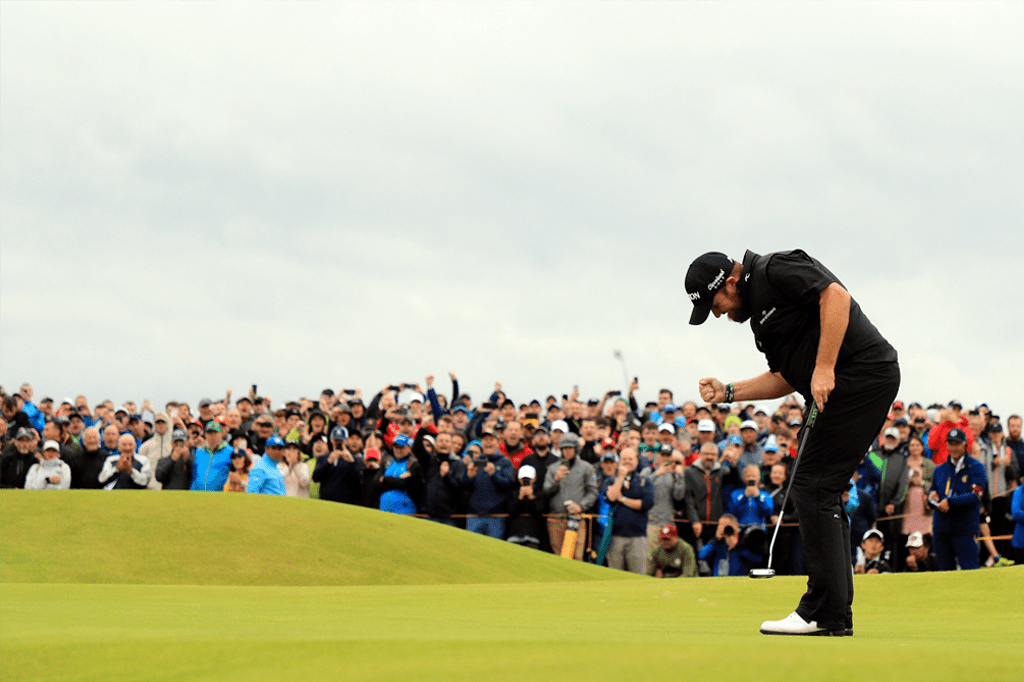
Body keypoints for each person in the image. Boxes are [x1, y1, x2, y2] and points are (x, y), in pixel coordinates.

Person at [687, 249, 899, 637]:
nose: (716, 314)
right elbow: (783, 376)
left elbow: (835, 296)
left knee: (812, 485)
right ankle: (833, 613)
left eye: (713, 304)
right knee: (819, 487)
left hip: (861, 374)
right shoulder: (760, 322)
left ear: (729, 283)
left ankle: (822, 611)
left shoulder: (775, 269)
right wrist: (729, 392)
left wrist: (824, 366)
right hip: (843, 385)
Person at [928, 428, 986, 570]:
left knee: (970, 571)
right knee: (944, 572)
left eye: (957, 444)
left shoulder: (976, 467)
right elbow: (932, 493)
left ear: (965, 444)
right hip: (941, 529)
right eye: (951, 443)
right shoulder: (939, 470)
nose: (954, 447)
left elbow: (976, 495)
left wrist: (950, 502)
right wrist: (931, 499)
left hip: (964, 529)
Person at [542, 432, 598, 559]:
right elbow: (546, 492)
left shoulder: (586, 467)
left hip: (576, 518)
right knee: (558, 557)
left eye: (570, 448)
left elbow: (593, 492)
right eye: (564, 448)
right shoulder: (553, 468)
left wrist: (581, 506)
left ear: (576, 449)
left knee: (577, 557)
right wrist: (556, 480)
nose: (567, 451)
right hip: (556, 519)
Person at [603, 447, 654, 574]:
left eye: (630, 459)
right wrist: (621, 477)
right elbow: (610, 497)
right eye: (624, 459)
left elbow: (646, 504)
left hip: (637, 537)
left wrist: (623, 499)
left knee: (638, 577)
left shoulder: (644, 481)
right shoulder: (612, 479)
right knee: (615, 577)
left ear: (637, 460)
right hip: (615, 536)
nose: (627, 461)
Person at [683, 442, 725, 549]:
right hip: (694, 523)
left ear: (717, 456)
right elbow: (688, 499)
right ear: (700, 454)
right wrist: (695, 520)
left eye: (713, 454)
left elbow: (736, 479)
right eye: (706, 454)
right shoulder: (689, 471)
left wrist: (733, 464)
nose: (709, 457)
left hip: (715, 524)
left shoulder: (722, 471)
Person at [191, 421, 233, 491]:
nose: (212, 435)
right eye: (210, 433)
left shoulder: (230, 452)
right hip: (198, 496)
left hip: (219, 497)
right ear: (205, 435)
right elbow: (194, 475)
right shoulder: (199, 452)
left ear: (221, 434)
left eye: (215, 433)